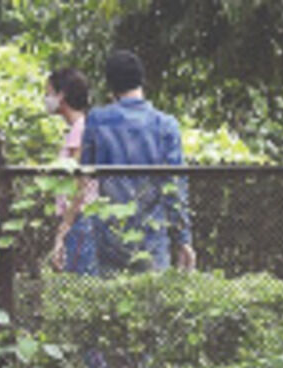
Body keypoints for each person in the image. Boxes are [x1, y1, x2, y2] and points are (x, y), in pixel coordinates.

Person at [80, 50, 195, 273]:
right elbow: (175, 187)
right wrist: (183, 239)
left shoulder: (96, 120)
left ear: (110, 85)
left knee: (109, 304)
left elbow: (85, 179)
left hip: (109, 236)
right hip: (152, 237)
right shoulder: (166, 125)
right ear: (142, 80)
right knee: (153, 302)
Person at [46, 68, 99, 274]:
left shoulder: (81, 129)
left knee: (80, 287)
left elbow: (79, 186)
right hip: (78, 219)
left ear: (62, 96)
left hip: (80, 220)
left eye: (49, 93)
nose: (46, 99)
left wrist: (63, 229)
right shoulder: (77, 129)